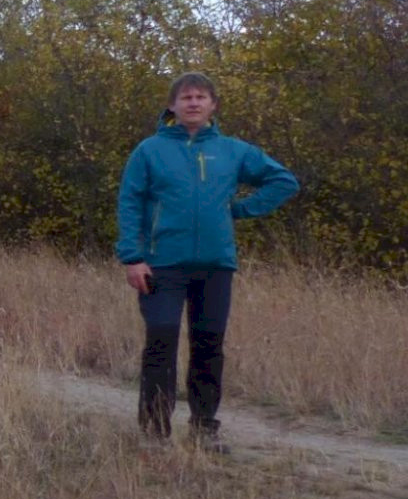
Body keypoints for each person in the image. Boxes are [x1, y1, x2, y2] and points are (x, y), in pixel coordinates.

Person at [116, 73, 298, 453]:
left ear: (213, 105)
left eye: (201, 97)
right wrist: (133, 257)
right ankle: (155, 433)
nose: (193, 103)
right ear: (172, 106)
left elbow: (283, 181)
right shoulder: (149, 150)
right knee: (161, 340)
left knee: (209, 345)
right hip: (161, 265)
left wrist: (241, 209)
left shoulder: (233, 151)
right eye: (186, 98)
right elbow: (129, 203)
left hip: (216, 265)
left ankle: (204, 429)